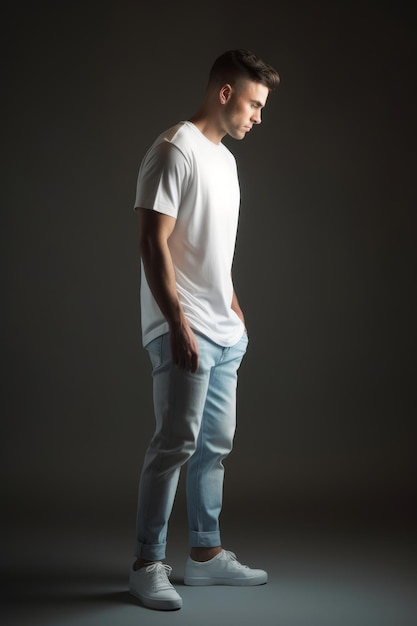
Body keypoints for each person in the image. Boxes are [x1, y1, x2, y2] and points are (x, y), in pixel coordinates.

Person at [129, 49, 280, 611]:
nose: (258, 116)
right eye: (254, 103)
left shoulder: (225, 161)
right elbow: (153, 242)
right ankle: (147, 563)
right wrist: (178, 324)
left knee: (215, 447)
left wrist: (233, 305)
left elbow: (211, 246)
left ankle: (206, 557)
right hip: (182, 327)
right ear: (225, 93)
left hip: (224, 330)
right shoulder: (174, 150)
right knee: (174, 445)